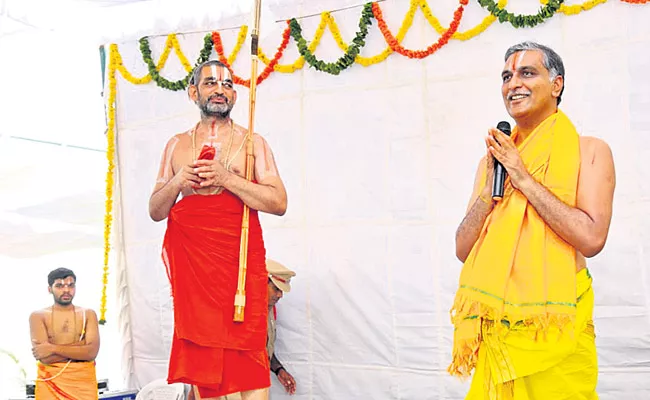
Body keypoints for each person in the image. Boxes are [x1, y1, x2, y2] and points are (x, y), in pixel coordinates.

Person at [448, 41, 615, 399]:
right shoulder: (492, 163)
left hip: (556, 328)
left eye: (527, 72)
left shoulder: (590, 151)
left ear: (557, 85)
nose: (513, 84)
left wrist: (522, 177)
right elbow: (463, 249)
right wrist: (491, 188)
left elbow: (591, 238)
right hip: (499, 327)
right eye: (507, 76)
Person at [149, 59, 287, 400]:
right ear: (193, 92)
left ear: (236, 96)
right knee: (204, 357)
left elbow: (278, 202)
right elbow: (155, 210)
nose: (220, 90)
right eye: (211, 83)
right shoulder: (176, 145)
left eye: (227, 85)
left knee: (247, 347)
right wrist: (180, 180)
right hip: (195, 269)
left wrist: (228, 179)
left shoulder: (253, 143)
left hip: (239, 265)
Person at [29, 268, 100, 399]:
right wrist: (81, 346)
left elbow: (91, 353)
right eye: (60, 286)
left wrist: (52, 348)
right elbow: (45, 358)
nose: (66, 290)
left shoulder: (88, 314)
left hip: (83, 387)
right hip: (51, 385)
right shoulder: (38, 316)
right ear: (50, 289)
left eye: (70, 285)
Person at [266, 259, 297, 395]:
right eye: (276, 289)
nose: (280, 295)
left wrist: (279, 369)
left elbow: (264, 348)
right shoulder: (241, 313)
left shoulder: (271, 309)